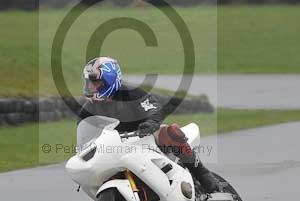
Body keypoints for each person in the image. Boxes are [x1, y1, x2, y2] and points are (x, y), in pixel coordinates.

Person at [78, 56, 221, 193]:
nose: (90, 86)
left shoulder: (130, 93)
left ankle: (204, 176)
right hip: (115, 148)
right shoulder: (87, 109)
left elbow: (153, 107)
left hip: (144, 136)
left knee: (170, 132)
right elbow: (84, 138)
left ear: (109, 81)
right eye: (88, 82)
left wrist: (151, 122)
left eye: (95, 82)